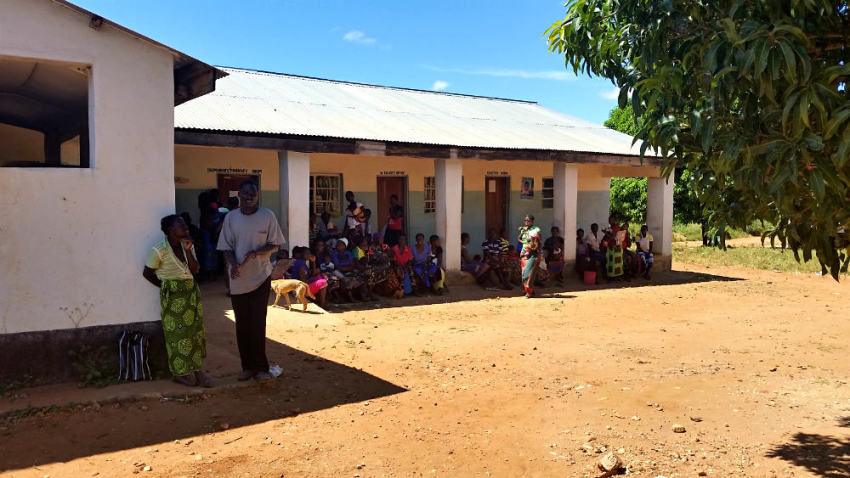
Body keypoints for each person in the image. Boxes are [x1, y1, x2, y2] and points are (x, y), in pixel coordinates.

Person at [217, 181, 285, 382]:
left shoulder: (267, 216)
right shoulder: (231, 218)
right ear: (239, 195)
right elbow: (226, 246)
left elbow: (275, 245)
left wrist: (258, 252)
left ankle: (261, 368)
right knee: (242, 324)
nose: (249, 197)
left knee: (258, 323)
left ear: (257, 195)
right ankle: (247, 367)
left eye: (253, 194)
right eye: (245, 193)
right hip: (238, 279)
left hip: (261, 276)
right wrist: (233, 263)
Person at [143, 215, 212, 388]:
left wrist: (189, 251)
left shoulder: (186, 245)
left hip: (191, 293)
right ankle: (179, 373)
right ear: (170, 229)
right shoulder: (159, 250)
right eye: (180, 224)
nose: (185, 226)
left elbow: (195, 270)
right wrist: (167, 287)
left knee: (194, 333)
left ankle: (197, 371)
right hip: (173, 298)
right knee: (177, 336)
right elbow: (147, 273)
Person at [520, 229, 542, 298]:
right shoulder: (529, 240)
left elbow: (536, 249)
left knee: (529, 276)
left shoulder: (536, 241)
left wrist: (530, 248)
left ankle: (529, 292)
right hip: (530, 258)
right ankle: (530, 291)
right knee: (526, 275)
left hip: (534, 258)